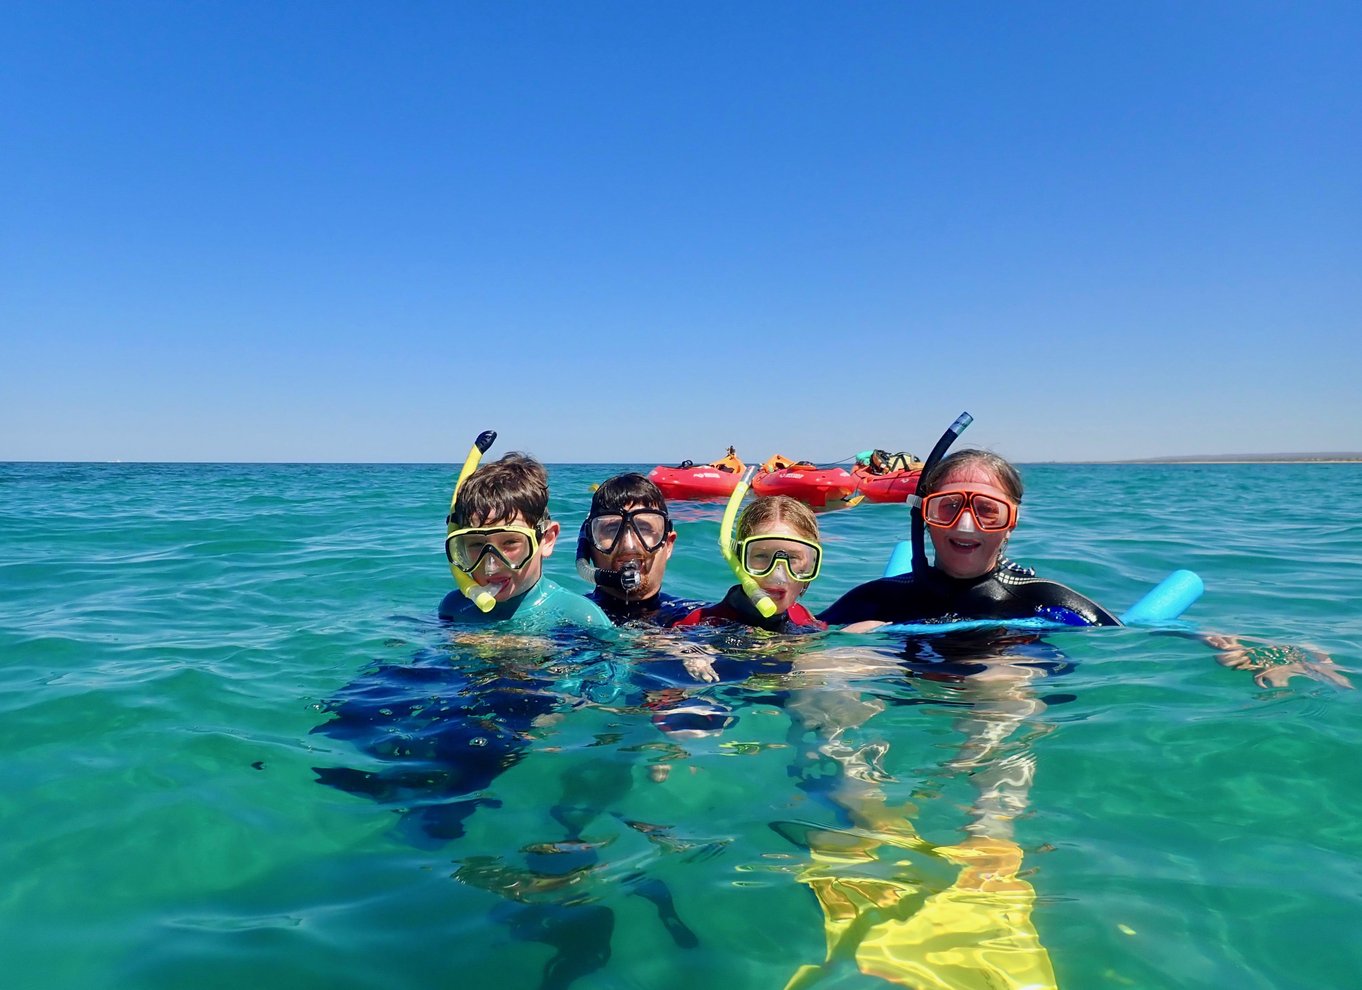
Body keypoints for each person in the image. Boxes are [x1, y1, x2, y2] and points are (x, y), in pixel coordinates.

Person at [819, 449, 1120, 629]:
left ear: (1010, 524)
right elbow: (798, 635)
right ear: (924, 516)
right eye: (947, 507)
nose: (965, 525)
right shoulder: (876, 600)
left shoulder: (1042, 599)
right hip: (905, 679)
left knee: (1002, 674)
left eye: (987, 511)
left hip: (1009, 676)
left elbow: (1118, 646)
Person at [439, 452, 611, 631]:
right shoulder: (453, 608)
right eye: (476, 544)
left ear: (547, 539)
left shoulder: (581, 618)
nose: (491, 566)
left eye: (510, 542)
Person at [676, 494, 828, 633]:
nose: (777, 575)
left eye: (793, 558)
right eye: (762, 556)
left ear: (811, 563)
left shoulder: (803, 618)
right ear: (739, 559)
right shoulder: (699, 626)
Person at [578, 473, 703, 626]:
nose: (628, 545)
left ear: (668, 545)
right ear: (590, 547)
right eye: (611, 529)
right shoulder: (571, 617)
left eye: (643, 528)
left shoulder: (694, 618)